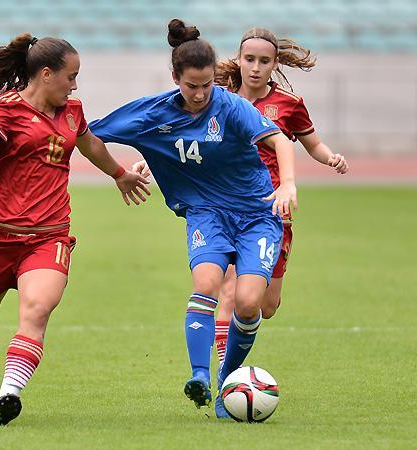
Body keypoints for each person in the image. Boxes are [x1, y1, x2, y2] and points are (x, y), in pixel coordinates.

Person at [0, 33, 150, 426]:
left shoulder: (72, 112)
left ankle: (8, 394)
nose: (75, 86)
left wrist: (120, 174)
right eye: (71, 77)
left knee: (37, 310)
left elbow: (91, 145)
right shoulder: (6, 108)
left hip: (48, 237)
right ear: (47, 74)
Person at [89, 19, 297, 419]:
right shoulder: (151, 112)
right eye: (191, 86)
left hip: (257, 214)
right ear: (175, 78)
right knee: (205, 285)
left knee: (249, 304)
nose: (201, 94)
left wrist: (287, 184)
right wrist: (119, 173)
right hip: (206, 215)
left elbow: (280, 141)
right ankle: (200, 377)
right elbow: (88, 134)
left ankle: (227, 379)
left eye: (206, 85)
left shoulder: (230, 105)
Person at [210, 28, 349, 364]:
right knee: (230, 290)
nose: (256, 67)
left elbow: (313, 144)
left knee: (267, 305)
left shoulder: (289, 104)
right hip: (230, 207)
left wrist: (330, 157)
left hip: (274, 211)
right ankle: (226, 371)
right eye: (249, 59)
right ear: (239, 60)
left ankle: (235, 347)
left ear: (275, 64)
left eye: (264, 61)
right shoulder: (220, 99)